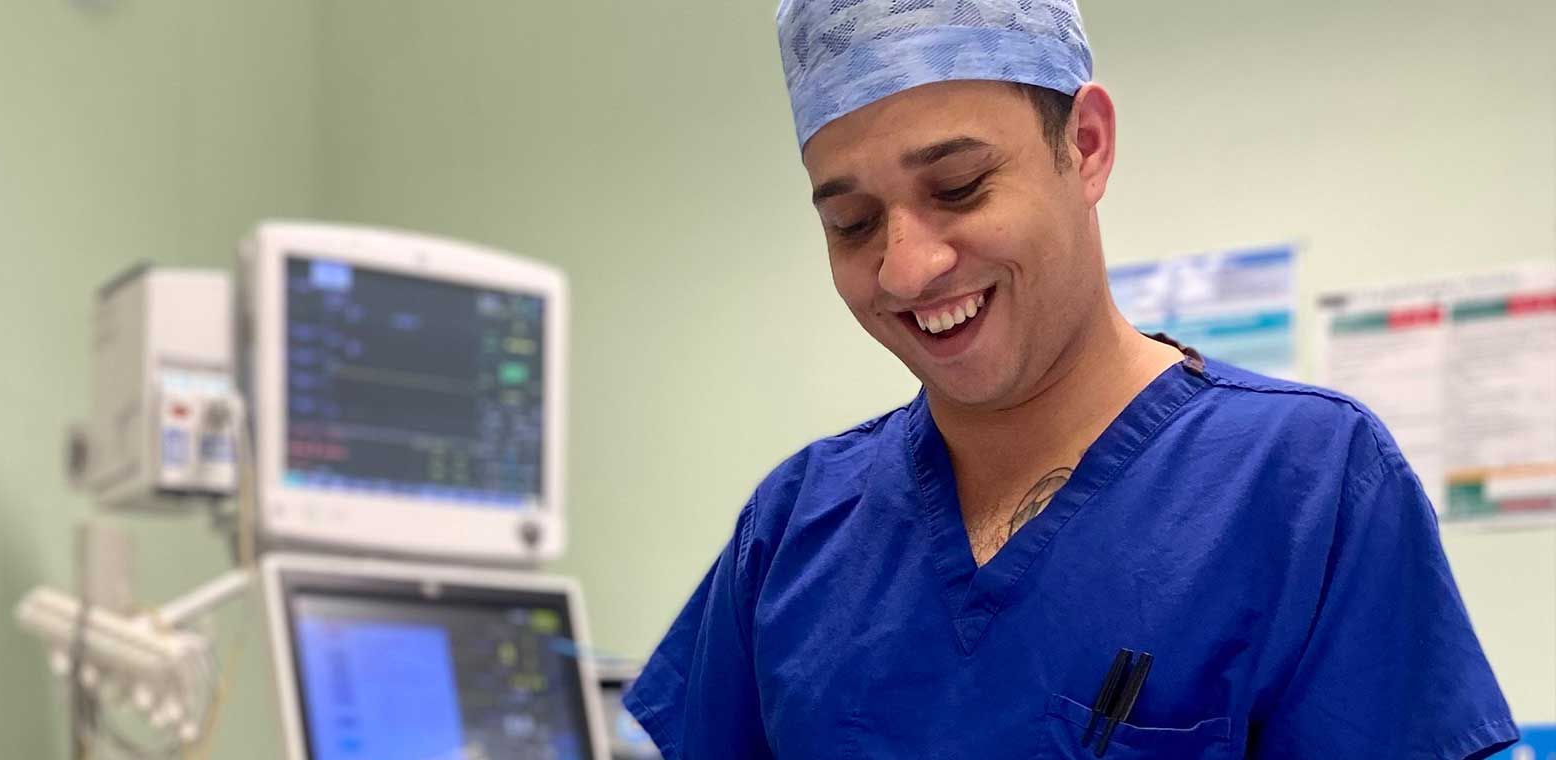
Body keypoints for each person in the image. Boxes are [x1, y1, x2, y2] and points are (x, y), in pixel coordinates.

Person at [622, 1, 1519, 757]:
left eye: (960, 187)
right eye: (852, 223)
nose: (906, 268)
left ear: (1085, 146)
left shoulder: (1308, 485)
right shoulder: (794, 527)